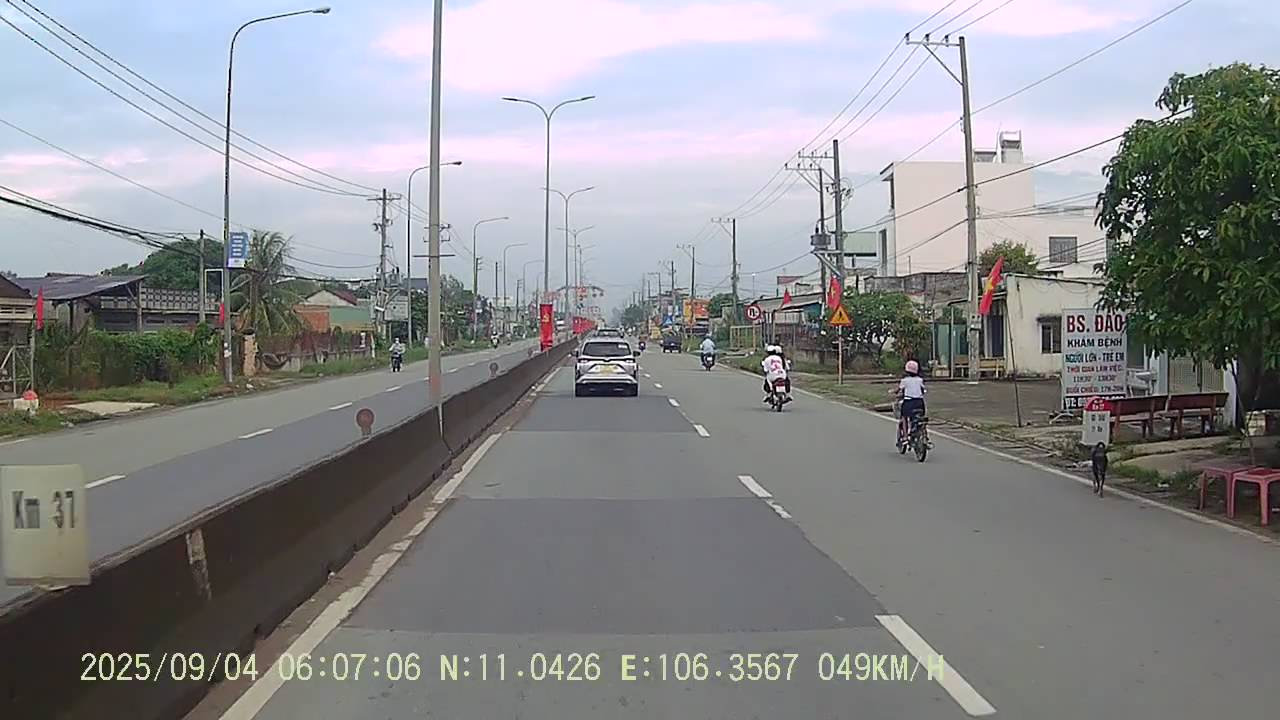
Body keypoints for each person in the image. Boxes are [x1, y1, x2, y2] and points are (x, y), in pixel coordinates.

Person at [894, 359, 927, 445]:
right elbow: (923, 390)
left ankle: (905, 437)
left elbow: (899, 390)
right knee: (919, 417)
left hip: (909, 403)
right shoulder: (920, 380)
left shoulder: (904, 381)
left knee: (904, 417)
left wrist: (895, 392)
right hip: (920, 402)